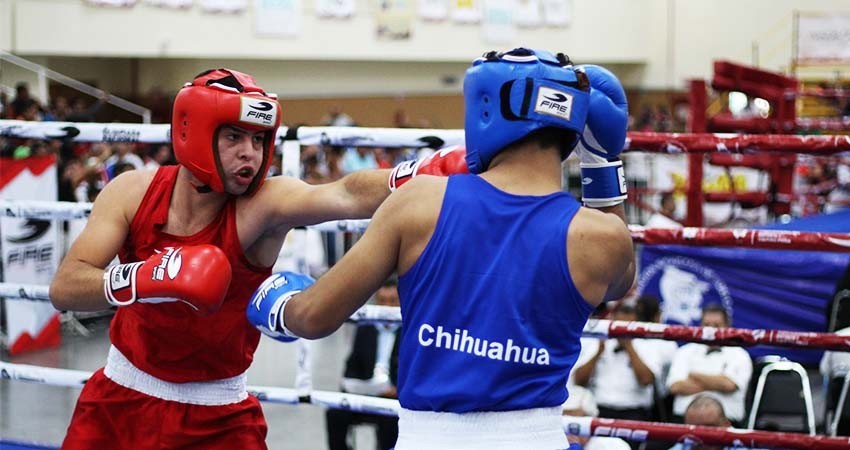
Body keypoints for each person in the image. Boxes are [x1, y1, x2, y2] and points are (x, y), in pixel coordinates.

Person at [48, 68, 467, 449]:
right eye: (234, 137)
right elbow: (65, 287)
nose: (250, 152)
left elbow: (345, 193)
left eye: (259, 139)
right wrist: (143, 278)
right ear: (193, 132)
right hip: (118, 400)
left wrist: (428, 171)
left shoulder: (262, 204)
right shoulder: (132, 192)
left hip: (219, 419)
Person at [248, 47, 636, 449]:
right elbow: (620, 281)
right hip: (538, 437)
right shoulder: (602, 239)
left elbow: (313, 317)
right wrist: (601, 161)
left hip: (429, 437)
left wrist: (277, 304)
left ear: (485, 110)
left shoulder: (419, 203)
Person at [326, 278, 402, 450]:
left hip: (394, 397)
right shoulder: (365, 328)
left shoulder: (409, 332)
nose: (387, 307)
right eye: (383, 301)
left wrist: (397, 389)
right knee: (335, 414)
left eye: (393, 301)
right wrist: (351, 384)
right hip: (366, 394)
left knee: (389, 420)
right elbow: (351, 366)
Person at [572, 303, 660, 429]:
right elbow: (579, 381)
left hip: (634, 413)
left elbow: (646, 380)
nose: (622, 331)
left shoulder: (648, 346)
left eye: (627, 326)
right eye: (619, 325)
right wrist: (598, 352)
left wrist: (629, 347)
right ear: (611, 322)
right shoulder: (598, 344)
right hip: (600, 409)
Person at [666, 304, 752, 426]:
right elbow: (676, 387)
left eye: (716, 325)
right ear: (700, 326)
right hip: (684, 422)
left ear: (727, 327)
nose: (711, 330)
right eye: (706, 325)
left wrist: (693, 375)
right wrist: (717, 382)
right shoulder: (684, 351)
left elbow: (729, 385)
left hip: (727, 423)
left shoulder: (740, 354)